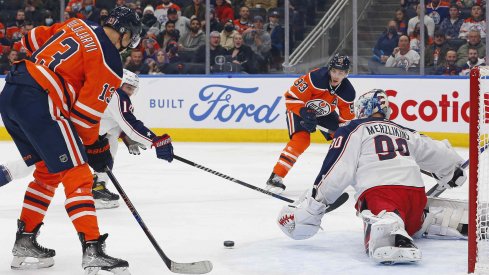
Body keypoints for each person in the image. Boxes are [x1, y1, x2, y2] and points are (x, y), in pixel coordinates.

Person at [0, 6, 144, 274]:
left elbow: (31, 39)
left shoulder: (79, 24)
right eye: (131, 38)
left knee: (47, 171)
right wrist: (95, 147)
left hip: (11, 92)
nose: (129, 45)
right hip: (41, 99)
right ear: (124, 33)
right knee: (77, 169)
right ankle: (92, 249)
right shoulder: (110, 62)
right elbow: (85, 116)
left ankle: (25, 242)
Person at [277, 89, 468, 264]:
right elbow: (434, 150)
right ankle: (429, 220)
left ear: (363, 109)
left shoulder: (352, 129)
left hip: (381, 193)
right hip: (416, 196)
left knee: (381, 212)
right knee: (415, 218)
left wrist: (315, 205)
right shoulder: (403, 131)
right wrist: (452, 171)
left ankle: (390, 232)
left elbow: (339, 169)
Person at [0, 69, 174, 207]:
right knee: (34, 163)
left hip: (68, 127)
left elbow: (111, 123)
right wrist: (155, 141)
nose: (129, 92)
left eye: (132, 89)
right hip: (67, 131)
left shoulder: (105, 89)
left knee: (109, 140)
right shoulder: (117, 95)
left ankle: (98, 187)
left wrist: (127, 138)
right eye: (128, 87)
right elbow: (130, 123)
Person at [266, 54, 356, 194]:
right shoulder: (315, 78)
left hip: (325, 113)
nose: (336, 76)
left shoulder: (347, 92)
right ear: (329, 69)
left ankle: (354, 176)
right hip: (299, 109)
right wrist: (304, 112)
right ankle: (276, 177)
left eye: (341, 73)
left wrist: (342, 133)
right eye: (334, 71)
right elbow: (291, 98)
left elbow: (347, 121)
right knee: (301, 140)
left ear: (346, 74)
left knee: (343, 140)